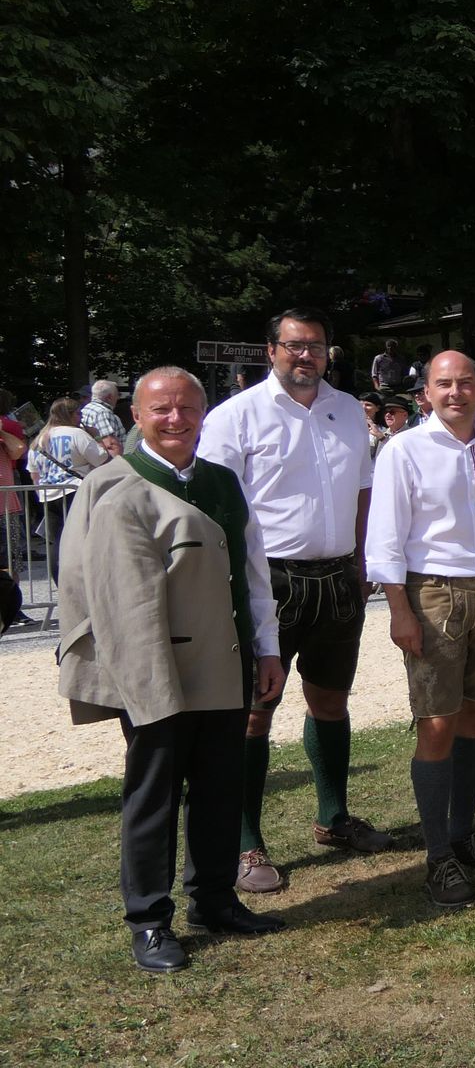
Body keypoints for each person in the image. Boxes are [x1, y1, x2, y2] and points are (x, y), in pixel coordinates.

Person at [57, 367, 285, 972]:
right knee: (153, 795)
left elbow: (252, 571)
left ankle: (213, 900)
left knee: (218, 789)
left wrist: (266, 647)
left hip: (225, 662)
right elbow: (116, 601)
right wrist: (147, 689)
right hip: (155, 671)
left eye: (187, 407)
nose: (176, 419)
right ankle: (150, 921)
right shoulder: (115, 486)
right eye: (162, 409)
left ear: (204, 412)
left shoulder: (223, 483)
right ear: (137, 416)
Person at [198, 308, 394, 895]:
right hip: (268, 582)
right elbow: (216, 508)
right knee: (255, 711)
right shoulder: (235, 417)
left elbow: (363, 492)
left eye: (315, 346)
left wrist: (363, 567)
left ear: (328, 352)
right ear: (271, 351)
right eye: (293, 346)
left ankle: (333, 818)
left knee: (331, 702)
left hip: (337, 580)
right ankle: (245, 843)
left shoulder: (346, 412)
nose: (305, 355)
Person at [365, 351, 475, 907]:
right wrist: (399, 610)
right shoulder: (404, 450)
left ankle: (465, 834)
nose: (456, 392)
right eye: (444, 384)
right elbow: (386, 538)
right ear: (426, 392)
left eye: (466, 382)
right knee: (436, 723)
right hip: (434, 594)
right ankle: (438, 854)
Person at [27, 397, 109, 583]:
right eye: (78, 413)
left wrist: (41, 493)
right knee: (83, 538)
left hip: (48, 494)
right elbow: (102, 459)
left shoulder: (39, 438)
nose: (80, 416)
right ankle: (86, 582)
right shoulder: (77, 434)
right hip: (75, 492)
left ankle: (60, 581)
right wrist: (96, 436)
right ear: (70, 414)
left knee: (57, 540)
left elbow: (34, 473)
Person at [81, 379, 126, 457]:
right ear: (109, 397)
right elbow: (110, 444)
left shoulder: (86, 409)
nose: (118, 398)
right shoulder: (103, 412)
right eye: (117, 395)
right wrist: (117, 465)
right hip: (111, 462)